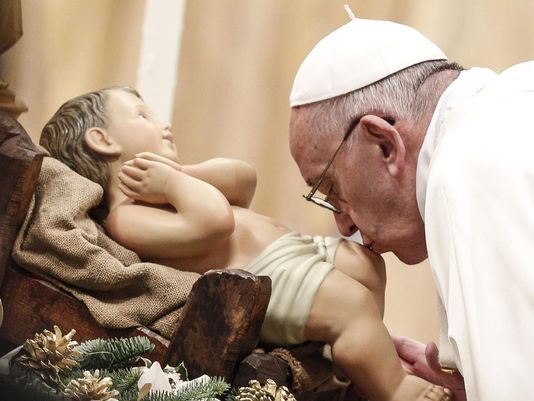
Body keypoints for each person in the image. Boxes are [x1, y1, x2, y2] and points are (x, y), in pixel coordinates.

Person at [39, 86, 452, 401]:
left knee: (365, 264)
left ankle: (359, 360)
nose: (162, 123)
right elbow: (214, 223)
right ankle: (395, 390)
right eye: (142, 115)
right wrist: (173, 184)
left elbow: (243, 180)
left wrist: (182, 174)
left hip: (295, 253)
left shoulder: (174, 184)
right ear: (102, 140)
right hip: (264, 279)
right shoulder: (126, 218)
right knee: (351, 305)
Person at [288, 13, 534, 401]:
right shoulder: (512, 107)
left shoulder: (468, 166)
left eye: (331, 189)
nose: (344, 225)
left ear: (384, 144)